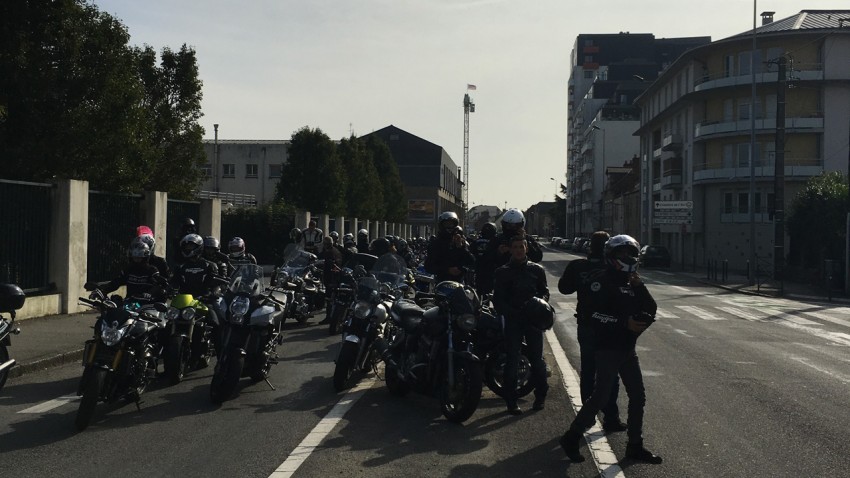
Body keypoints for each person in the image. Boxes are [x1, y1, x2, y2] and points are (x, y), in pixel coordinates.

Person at [559, 234, 662, 464]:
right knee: (600, 397)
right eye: (622, 254)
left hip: (627, 349)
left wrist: (641, 287)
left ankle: (635, 445)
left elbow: (651, 308)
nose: (627, 258)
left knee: (638, 396)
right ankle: (572, 436)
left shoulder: (631, 283)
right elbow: (592, 315)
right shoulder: (601, 282)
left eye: (631, 253)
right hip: (607, 348)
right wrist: (623, 323)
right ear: (611, 256)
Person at [558, 230, 627, 432]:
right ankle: (611, 417)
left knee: (589, 371)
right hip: (611, 327)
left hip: (587, 324)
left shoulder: (579, 266)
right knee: (611, 373)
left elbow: (564, 289)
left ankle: (587, 417)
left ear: (589, 247)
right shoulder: (614, 267)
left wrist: (582, 280)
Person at [492, 231, 550, 415]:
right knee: (512, 360)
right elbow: (498, 301)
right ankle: (511, 400)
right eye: (515, 247)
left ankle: (540, 396)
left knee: (537, 361)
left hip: (533, 322)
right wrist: (514, 311)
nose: (518, 250)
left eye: (521, 247)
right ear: (510, 249)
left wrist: (538, 303)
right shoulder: (502, 272)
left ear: (526, 248)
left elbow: (544, 292)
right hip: (513, 321)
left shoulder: (536, 270)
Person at [86, 238, 167, 301]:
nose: (137, 260)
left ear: (145, 257)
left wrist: (149, 294)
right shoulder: (128, 270)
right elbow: (116, 282)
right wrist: (101, 290)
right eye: (135, 258)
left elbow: (158, 284)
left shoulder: (152, 270)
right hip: (130, 303)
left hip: (146, 304)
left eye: (139, 258)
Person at [424, 212, 475, 283]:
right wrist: (447, 270)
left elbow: (471, 262)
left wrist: (461, 248)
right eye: (447, 224)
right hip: (442, 282)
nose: (449, 227)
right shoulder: (436, 243)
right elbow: (429, 266)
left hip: (459, 283)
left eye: (451, 224)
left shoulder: (461, 242)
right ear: (441, 225)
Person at [471, 222, 497, 296]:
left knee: (477, 292)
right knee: (487, 294)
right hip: (490, 271)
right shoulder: (494, 243)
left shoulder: (476, 242)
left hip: (478, 270)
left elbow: (471, 253)